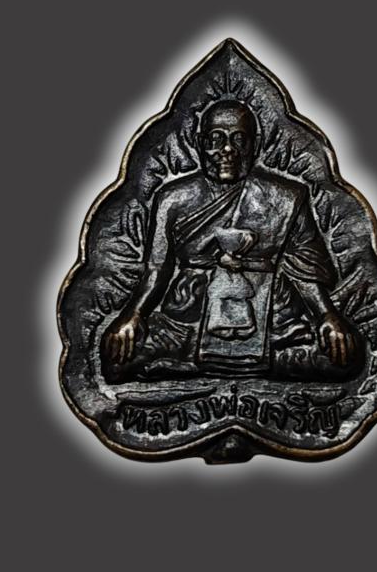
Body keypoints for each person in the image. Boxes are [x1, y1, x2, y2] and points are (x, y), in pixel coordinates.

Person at [102, 100, 363, 382]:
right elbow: (157, 269)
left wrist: (326, 316)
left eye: (239, 139)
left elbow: (303, 269)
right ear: (199, 144)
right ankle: (245, 360)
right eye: (216, 139)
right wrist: (134, 314)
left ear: (255, 145)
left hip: (270, 317)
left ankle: (198, 364)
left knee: (347, 357)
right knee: (116, 357)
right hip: (190, 316)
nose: (227, 150)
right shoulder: (172, 198)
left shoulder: (287, 197)